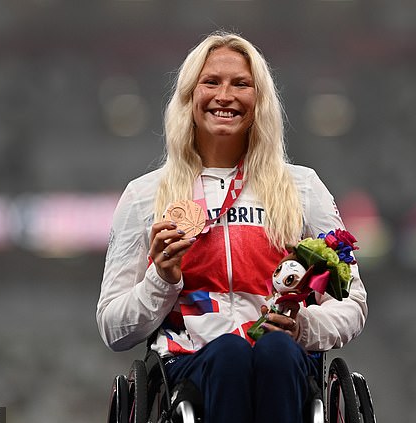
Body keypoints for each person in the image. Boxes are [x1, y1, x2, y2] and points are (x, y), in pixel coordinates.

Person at [97, 31, 367, 423]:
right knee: (229, 353)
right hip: (192, 363)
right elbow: (112, 326)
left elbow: (353, 303)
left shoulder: (303, 188)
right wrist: (162, 279)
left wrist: (302, 327)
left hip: (286, 359)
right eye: (211, 82)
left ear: (260, 102)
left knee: (275, 351)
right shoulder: (146, 196)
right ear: (189, 96)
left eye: (241, 84)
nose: (225, 95)